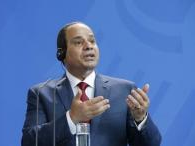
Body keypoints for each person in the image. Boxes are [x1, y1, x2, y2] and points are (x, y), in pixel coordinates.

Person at [21, 22, 161, 146]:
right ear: (61, 53)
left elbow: (151, 144)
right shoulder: (41, 93)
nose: (89, 46)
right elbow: (29, 142)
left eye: (92, 41)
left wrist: (140, 119)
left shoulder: (125, 90)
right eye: (78, 42)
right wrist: (71, 118)